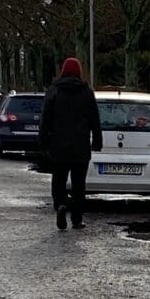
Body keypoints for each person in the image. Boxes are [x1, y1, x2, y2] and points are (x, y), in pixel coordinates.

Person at [36, 56, 101, 229]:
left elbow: (45, 118)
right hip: (80, 145)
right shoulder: (86, 91)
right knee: (79, 184)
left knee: (58, 178)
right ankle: (77, 219)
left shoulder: (54, 90)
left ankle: (61, 205)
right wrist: (97, 141)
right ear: (79, 71)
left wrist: (43, 141)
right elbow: (95, 118)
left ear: (63, 70)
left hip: (58, 144)